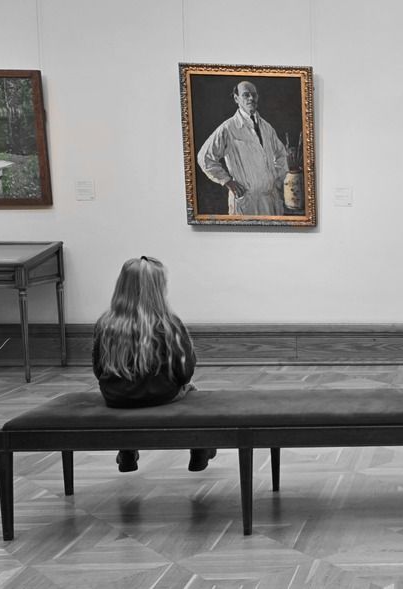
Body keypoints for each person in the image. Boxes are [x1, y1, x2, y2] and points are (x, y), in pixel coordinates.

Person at [93, 256, 216, 473]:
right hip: (161, 394)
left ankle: (127, 452)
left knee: (128, 404)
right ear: (158, 290)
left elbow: (98, 368)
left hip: (116, 397)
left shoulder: (106, 324)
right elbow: (185, 372)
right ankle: (200, 449)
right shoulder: (169, 325)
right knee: (193, 390)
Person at [197, 81, 289, 216]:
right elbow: (204, 157)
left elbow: (281, 154)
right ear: (236, 99)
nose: (251, 98)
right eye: (246, 95)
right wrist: (227, 181)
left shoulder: (267, 127)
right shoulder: (228, 128)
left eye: (254, 95)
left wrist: (277, 179)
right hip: (245, 201)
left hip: (270, 199)